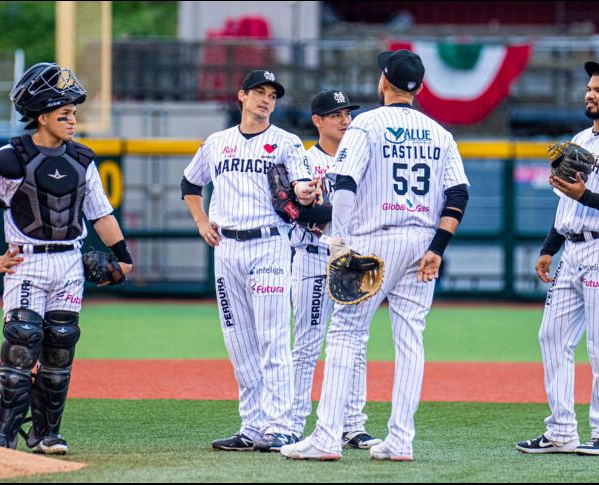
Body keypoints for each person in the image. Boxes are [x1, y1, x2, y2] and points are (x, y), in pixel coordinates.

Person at [281, 50, 470, 461]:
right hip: (422, 240)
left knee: (347, 332)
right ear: (418, 88)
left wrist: (342, 242)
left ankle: (328, 437)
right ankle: (400, 440)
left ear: (384, 82)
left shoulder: (366, 124)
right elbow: (458, 194)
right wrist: (437, 248)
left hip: (374, 238)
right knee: (410, 340)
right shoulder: (439, 132)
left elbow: (345, 182)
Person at [0, 62, 133, 454]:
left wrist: (123, 258)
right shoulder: (9, 157)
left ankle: (45, 434)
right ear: (41, 116)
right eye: (65, 113)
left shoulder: (82, 160)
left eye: (74, 113)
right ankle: (1, 436)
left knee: (60, 346)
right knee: (21, 343)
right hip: (27, 263)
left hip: (69, 263)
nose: (73, 120)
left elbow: (101, 214)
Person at [181, 69, 316, 452]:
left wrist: (304, 192)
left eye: (272, 94)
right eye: (259, 91)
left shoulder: (287, 143)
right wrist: (201, 221)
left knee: (273, 337)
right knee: (239, 341)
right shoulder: (217, 143)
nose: (266, 99)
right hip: (227, 249)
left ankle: (282, 426)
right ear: (241, 96)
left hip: (269, 244)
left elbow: (303, 191)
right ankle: (253, 426)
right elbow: (190, 184)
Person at [516, 61, 599, 456]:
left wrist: (584, 196)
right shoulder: (579, 139)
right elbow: (564, 204)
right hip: (572, 247)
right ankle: (561, 431)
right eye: (589, 87)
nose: (591, 94)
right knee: (551, 336)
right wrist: (548, 249)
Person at [289, 89, 381, 449]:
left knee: (355, 344)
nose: (345, 120)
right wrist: (348, 209)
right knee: (308, 344)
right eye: (336, 115)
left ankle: (352, 424)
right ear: (317, 121)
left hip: (350, 258)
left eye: (347, 113)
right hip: (313, 255)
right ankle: (294, 421)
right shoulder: (304, 161)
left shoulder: (360, 155)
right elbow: (300, 212)